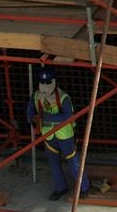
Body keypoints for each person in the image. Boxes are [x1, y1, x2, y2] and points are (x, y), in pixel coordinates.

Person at [26, 66, 90, 202]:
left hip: (65, 136)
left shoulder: (63, 98)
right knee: (54, 163)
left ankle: (83, 188)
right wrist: (33, 119)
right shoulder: (36, 96)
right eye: (42, 83)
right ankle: (61, 188)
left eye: (48, 82)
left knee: (74, 162)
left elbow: (68, 116)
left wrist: (45, 117)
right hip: (48, 137)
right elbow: (30, 112)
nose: (45, 86)